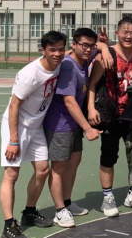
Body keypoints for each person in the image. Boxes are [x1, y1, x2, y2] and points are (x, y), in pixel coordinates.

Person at [0, 31, 67, 238]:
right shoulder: (30, 74)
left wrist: (102, 46)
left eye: (61, 49)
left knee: (42, 170)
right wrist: (13, 140)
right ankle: (8, 226)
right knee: (11, 174)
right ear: (43, 50)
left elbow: (77, 51)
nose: (57, 54)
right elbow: (14, 105)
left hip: (36, 126)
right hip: (17, 125)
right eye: (52, 50)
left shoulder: (59, 62)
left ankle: (29, 212)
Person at [43, 28, 113, 227]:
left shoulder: (83, 59)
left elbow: (99, 45)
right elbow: (69, 101)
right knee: (58, 168)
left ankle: (66, 202)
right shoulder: (68, 66)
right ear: (73, 45)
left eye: (91, 46)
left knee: (73, 163)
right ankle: (59, 210)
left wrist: (104, 48)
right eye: (84, 45)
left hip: (73, 124)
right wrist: (88, 128)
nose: (88, 49)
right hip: (60, 125)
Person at [87, 17, 132, 217]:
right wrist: (91, 108)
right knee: (108, 157)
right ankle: (107, 198)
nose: (128, 36)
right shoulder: (107, 56)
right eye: (125, 32)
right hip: (111, 114)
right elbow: (92, 84)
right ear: (118, 33)